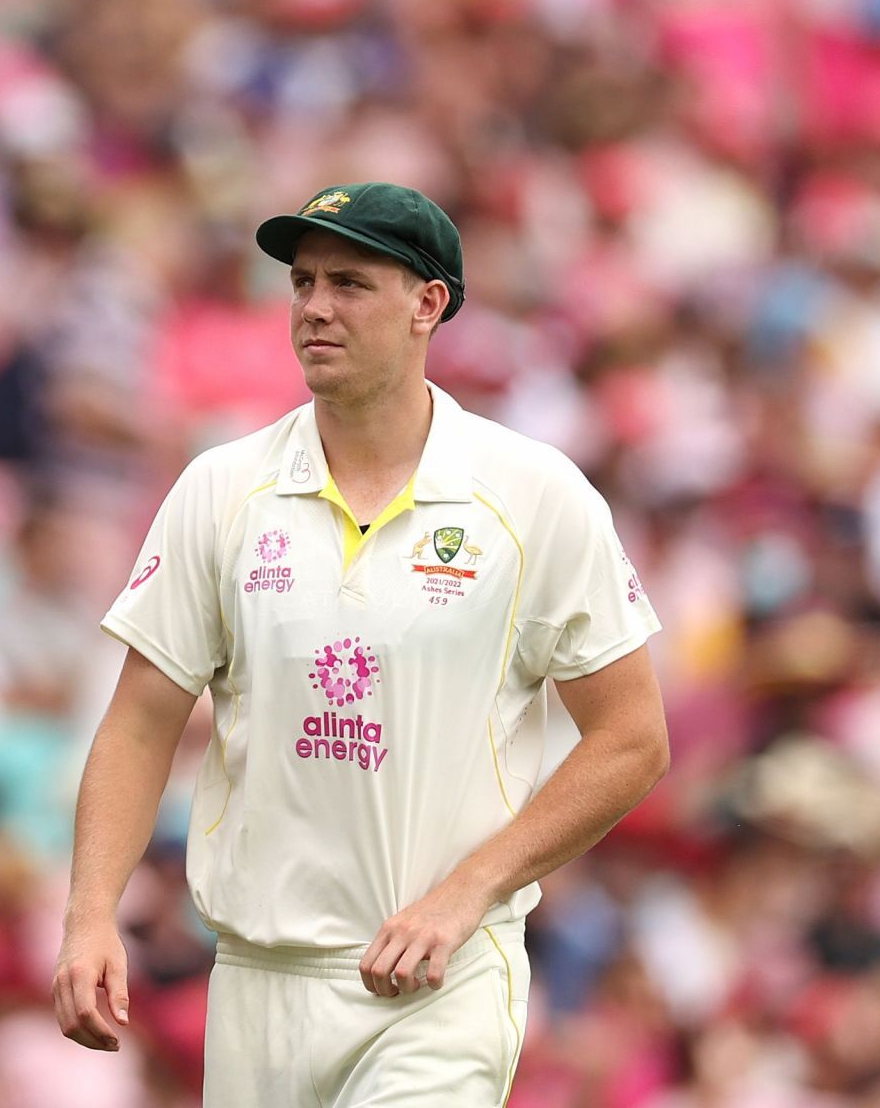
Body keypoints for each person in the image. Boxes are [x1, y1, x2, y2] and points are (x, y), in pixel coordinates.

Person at [52, 182, 672, 1105]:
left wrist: (471, 891)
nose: (314, 309)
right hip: (258, 980)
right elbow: (141, 723)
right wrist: (90, 913)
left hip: (438, 981)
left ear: (430, 304)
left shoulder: (534, 495)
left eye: (349, 283)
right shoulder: (222, 490)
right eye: (302, 284)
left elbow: (633, 738)